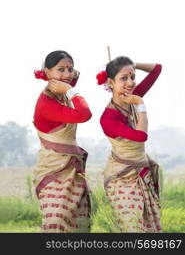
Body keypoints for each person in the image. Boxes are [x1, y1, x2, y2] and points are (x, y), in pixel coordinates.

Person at [96, 56, 162, 232]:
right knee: (132, 228)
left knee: (149, 229)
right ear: (111, 82)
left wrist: (134, 64)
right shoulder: (108, 118)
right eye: (123, 78)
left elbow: (157, 69)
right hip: (121, 177)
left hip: (141, 173)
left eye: (132, 77)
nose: (130, 82)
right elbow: (140, 136)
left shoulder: (133, 98)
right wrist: (140, 104)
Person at [32, 50, 92, 233]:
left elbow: (69, 81)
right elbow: (84, 114)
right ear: (47, 72)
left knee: (78, 225)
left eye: (70, 69)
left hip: (72, 171)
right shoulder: (46, 104)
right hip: (53, 171)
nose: (66, 74)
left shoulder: (61, 95)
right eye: (60, 69)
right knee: (56, 223)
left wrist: (68, 85)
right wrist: (70, 89)